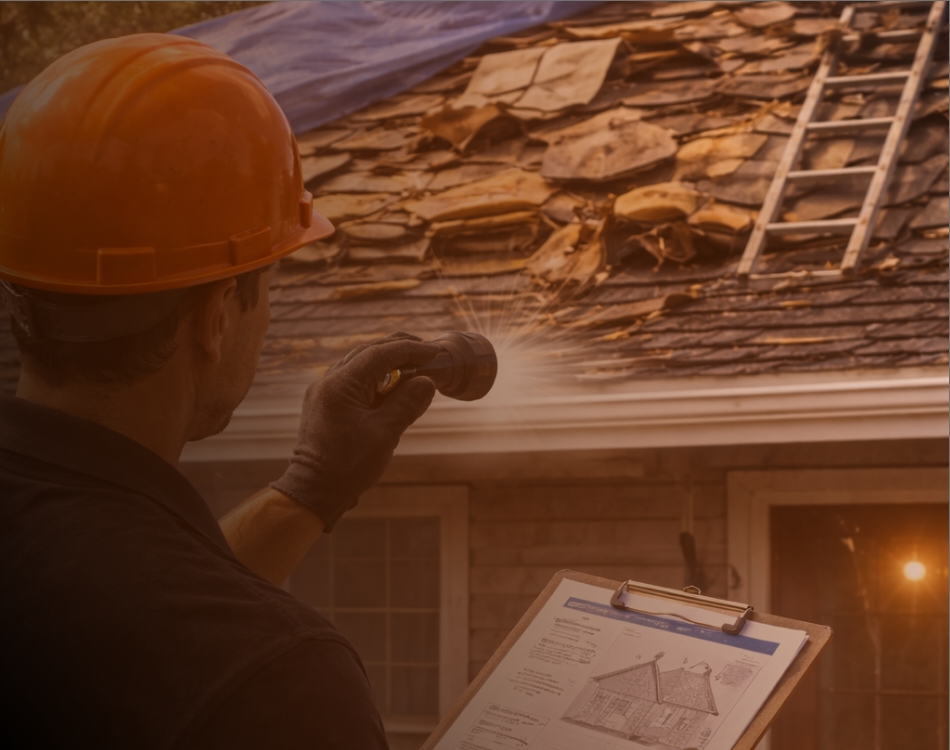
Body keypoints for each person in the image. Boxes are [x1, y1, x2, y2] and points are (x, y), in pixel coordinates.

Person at [0, 34, 439, 748]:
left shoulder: (58, 552)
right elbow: (176, 632)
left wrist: (312, 487)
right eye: (268, 288)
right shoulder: (282, 684)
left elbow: (131, 609)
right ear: (215, 318)